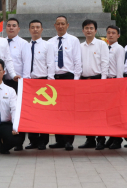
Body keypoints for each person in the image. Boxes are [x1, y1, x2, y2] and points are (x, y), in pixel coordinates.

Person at [47, 15, 82, 151]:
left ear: (67, 25)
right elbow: (49, 62)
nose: (60, 26)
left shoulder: (74, 40)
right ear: (54, 26)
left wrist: (76, 80)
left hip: (69, 77)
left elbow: (77, 61)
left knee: (68, 111)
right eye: (58, 24)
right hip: (55, 79)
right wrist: (50, 79)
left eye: (63, 24)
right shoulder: (50, 42)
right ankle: (59, 140)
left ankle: (68, 141)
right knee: (57, 111)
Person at [22, 19, 55, 151]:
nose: (35, 29)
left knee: (43, 114)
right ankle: (33, 140)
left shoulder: (47, 45)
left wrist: (50, 82)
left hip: (43, 82)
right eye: (32, 27)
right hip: (29, 83)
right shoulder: (25, 46)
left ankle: (43, 141)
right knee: (31, 113)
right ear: (29, 30)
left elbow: (51, 64)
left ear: (42, 29)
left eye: (37, 27)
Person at [78, 19, 110, 150]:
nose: (89, 30)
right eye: (86, 28)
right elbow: (78, 65)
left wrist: (103, 81)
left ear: (95, 30)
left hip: (98, 81)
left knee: (99, 112)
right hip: (84, 82)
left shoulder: (102, 44)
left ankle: (101, 140)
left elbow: (105, 63)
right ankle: (89, 139)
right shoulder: (80, 46)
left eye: (91, 28)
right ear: (83, 30)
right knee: (86, 112)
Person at [103, 25, 125, 150]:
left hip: (114, 81)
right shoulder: (105, 47)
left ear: (118, 35)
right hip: (106, 82)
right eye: (109, 32)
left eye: (113, 33)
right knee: (108, 113)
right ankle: (111, 137)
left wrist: (119, 83)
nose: (111, 35)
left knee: (116, 113)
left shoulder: (119, 48)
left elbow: (120, 67)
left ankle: (117, 139)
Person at [4, 18, 28, 93]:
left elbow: (26, 64)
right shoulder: (2, 42)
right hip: (3, 81)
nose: (11, 28)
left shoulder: (23, 43)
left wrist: (25, 81)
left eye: (14, 26)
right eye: (9, 26)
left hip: (18, 81)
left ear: (18, 29)